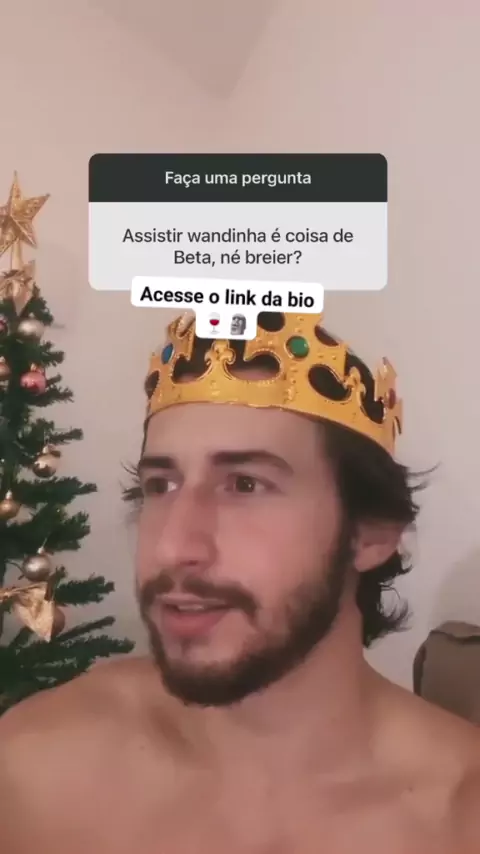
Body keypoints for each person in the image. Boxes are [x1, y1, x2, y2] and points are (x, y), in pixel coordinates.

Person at [0, 310, 479, 854]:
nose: (173, 547)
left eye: (245, 484)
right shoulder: (38, 769)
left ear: (370, 534)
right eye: (161, 485)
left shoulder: (459, 819)